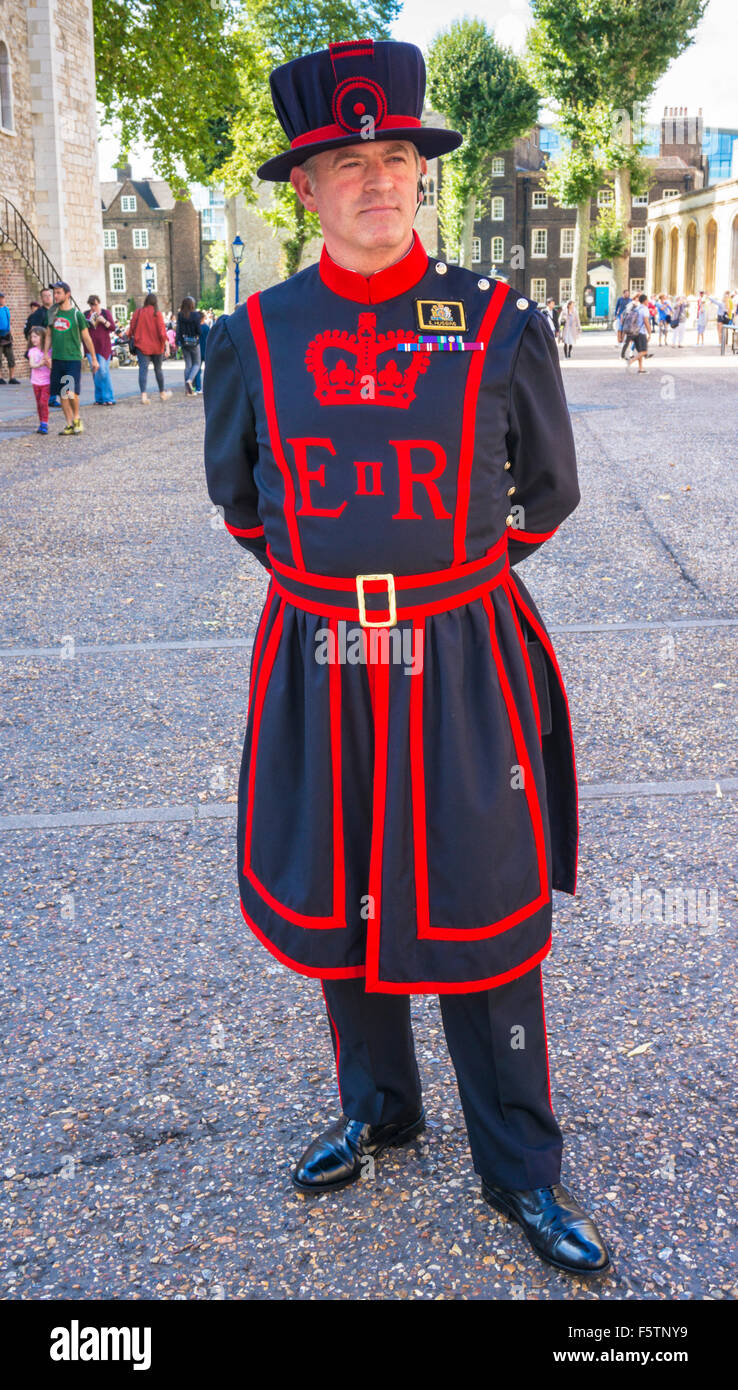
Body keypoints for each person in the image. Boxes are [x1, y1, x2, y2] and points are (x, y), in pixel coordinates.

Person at [203, 36, 610, 1278]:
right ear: (305, 187)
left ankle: (520, 1164)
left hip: (463, 652)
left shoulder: (498, 321)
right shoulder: (253, 335)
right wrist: (343, 588)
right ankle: (378, 1107)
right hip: (321, 649)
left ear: (421, 173)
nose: (375, 178)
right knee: (344, 890)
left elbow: (548, 493)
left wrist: (443, 588)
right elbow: (242, 505)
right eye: (346, 161)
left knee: (485, 902)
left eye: (394, 156)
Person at [44, 281, 98, 434]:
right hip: (57, 359)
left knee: (70, 392)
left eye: (58, 292)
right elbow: (48, 335)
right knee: (62, 393)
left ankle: (77, 418)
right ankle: (69, 424)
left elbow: (87, 338)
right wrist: (45, 354)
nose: (55, 296)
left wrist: (94, 358)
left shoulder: (76, 315)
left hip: (72, 359)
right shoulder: (53, 313)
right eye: (54, 293)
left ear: (67, 294)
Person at [129, 292, 172, 403]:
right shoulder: (157, 314)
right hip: (157, 347)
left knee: (143, 370)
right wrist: (167, 346)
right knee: (158, 370)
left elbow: (131, 328)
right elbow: (162, 332)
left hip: (142, 346)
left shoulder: (138, 312)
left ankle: (143, 396)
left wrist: (131, 337)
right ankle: (162, 394)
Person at [84, 295, 117, 404]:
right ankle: (99, 398)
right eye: (91, 305)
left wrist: (104, 321)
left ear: (99, 303)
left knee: (103, 371)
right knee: (95, 372)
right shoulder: (85, 314)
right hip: (90, 347)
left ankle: (108, 398)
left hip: (103, 347)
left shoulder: (105, 313)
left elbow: (113, 327)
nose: (93, 307)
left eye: (95, 305)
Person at [27, 326, 52, 433]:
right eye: (32, 337)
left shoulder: (49, 351)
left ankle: (45, 423)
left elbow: (52, 367)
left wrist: (48, 363)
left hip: (46, 382)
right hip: (35, 382)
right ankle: (41, 422)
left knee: (43, 402)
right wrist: (40, 364)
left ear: (43, 337)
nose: (33, 339)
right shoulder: (32, 351)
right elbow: (32, 364)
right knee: (38, 403)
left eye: (36, 337)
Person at [176, 296, 203, 395]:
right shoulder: (195, 315)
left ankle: (188, 391)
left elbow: (178, 329)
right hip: (194, 342)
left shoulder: (180, 315)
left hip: (184, 342)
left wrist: (178, 341)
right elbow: (199, 330)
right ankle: (190, 380)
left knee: (188, 365)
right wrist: (197, 334)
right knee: (197, 363)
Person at [623, 292, 651, 372]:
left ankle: (640, 368)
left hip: (634, 331)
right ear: (645, 301)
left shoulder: (637, 308)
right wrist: (649, 333)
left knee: (640, 351)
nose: (648, 301)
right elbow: (646, 322)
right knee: (644, 351)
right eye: (647, 300)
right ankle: (630, 361)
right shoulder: (645, 309)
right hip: (641, 332)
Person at [0, 291, 21, 384]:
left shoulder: (6, 309)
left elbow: (9, 322)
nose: (2, 300)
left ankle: (12, 378)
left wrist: (12, 334)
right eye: (1, 298)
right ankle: (0, 378)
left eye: (3, 298)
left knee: (11, 357)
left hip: (7, 336)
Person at [193, 307, 211, 392]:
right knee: (208, 370)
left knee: (197, 369)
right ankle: (209, 387)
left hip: (197, 350)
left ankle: (198, 387)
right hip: (206, 350)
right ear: (203, 318)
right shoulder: (206, 327)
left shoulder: (195, 328)